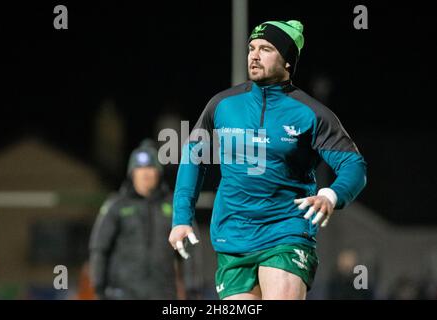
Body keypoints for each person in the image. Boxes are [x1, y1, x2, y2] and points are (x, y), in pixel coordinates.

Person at [168, 19, 367, 300]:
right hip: (233, 234)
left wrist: (332, 195)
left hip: (286, 229)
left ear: (287, 61)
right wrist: (181, 218)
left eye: (266, 48)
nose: (254, 55)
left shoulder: (311, 113)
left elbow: (354, 165)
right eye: (251, 48)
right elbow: (192, 157)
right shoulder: (222, 105)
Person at [89, 139, 198, 299]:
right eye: (139, 168)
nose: (145, 173)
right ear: (132, 173)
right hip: (122, 294)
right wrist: (98, 287)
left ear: (158, 172)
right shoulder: (117, 206)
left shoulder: (174, 207)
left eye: (150, 167)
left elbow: (191, 249)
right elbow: (99, 247)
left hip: (163, 294)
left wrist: (192, 288)